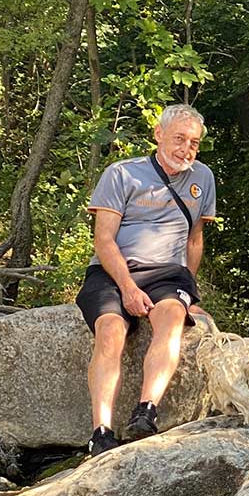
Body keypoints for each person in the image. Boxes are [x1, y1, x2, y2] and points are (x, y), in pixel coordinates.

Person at [75, 103, 218, 456]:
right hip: (114, 270)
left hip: (168, 272)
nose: (186, 149)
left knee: (171, 318)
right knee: (110, 330)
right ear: (158, 135)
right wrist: (127, 288)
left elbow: (194, 240)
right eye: (179, 139)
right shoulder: (122, 174)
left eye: (194, 143)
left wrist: (191, 293)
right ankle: (101, 430)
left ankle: (146, 412)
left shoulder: (203, 178)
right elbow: (103, 240)